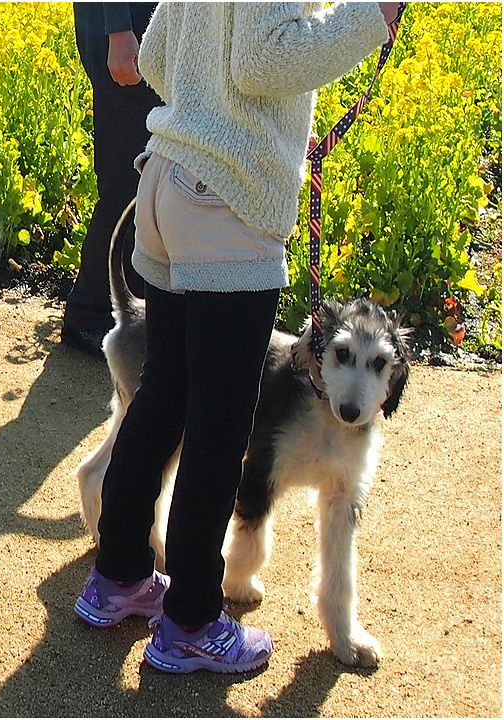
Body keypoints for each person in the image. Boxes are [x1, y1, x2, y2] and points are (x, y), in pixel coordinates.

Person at [73, 2, 403, 674]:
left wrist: (217, 110)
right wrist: (375, 16)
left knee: (165, 392)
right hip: (227, 200)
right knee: (221, 423)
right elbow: (263, 60)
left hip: (167, 180)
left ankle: (119, 577)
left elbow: (156, 54)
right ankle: (192, 620)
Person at [61, 3, 161, 358]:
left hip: (152, 30)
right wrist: (118, 30)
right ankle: (89, 313)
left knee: (151, 181)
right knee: (125, 184)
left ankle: (133, 316)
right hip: (126, 31)